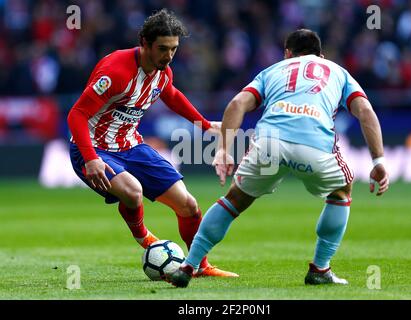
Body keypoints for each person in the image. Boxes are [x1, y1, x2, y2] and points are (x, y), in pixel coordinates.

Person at [168, 29, 389, 287]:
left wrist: (224, 149)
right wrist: (378, 162)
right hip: (314, 144)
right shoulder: (338, 72)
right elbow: (365, 111)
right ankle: (320, 268)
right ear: (321, 55)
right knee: (341, 191)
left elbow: (237, 103)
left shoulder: (272, 71)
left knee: (234, 200)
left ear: (287, 53)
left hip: (269, 143)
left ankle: (189, 265)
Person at [67, 9, 238, 278]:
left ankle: (198, 266)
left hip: (131, 146)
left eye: (173, 49)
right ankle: (145, 239)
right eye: (162, 48)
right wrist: (90, 158)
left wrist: (204, 124)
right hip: (92, 148)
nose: (168, 56)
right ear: (144, 43)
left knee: (189, 205)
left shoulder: (162, 71)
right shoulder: (115, 71)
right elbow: (76, 114)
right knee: (133, 191)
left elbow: (170, 94)